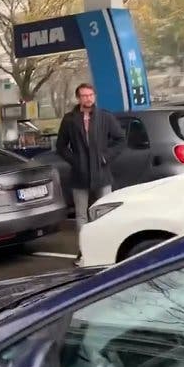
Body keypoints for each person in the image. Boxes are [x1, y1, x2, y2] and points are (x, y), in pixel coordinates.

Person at [56, 83, 126, 264]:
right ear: (78, 98)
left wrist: (106, 157)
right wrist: (75, 161)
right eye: (84, 95)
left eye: (90, 95)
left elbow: (120, 140)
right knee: (81, 215)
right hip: (80, 175)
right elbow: (61, 146)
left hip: (102, 173)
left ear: (94, 96)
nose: (88, 98)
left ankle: (109, 249)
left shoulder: (105, 117)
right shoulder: (70, 119)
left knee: (106, 212)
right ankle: (84, 252)